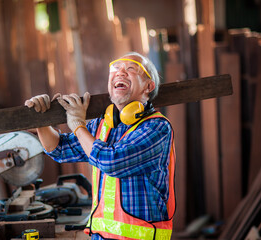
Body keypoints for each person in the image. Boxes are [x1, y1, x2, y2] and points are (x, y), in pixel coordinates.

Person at [25, 52, 175, 240]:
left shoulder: (157, 127)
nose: (121, 73)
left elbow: (113, 162)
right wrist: (42, 121)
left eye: (131, 69)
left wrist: (78, 125)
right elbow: (60, 149)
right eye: (115, 69)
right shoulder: (103, 125)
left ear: (148, 86)